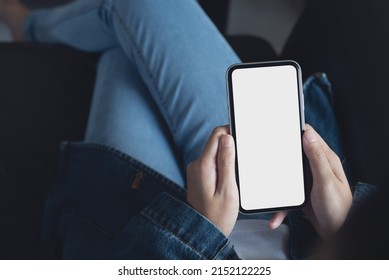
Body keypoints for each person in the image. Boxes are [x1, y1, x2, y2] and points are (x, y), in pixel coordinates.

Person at [0, 0, 367, 260]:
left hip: (153, 244)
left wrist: (197, 233)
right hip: (292, 223)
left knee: (122, 56)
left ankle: (23, 25)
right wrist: (348, 235)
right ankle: (27, 25)